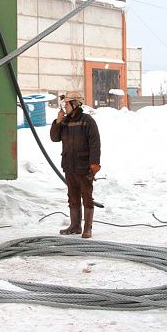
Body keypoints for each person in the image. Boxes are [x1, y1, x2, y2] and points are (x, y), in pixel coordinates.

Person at [50, 91, 101, 238]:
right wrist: (58, 122)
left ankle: (87, 228)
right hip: (69, 166)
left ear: (75, 104)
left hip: (84, 167)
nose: (65, 107)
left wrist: (94, 163)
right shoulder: (65, 122)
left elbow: (95, 143)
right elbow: (54, 137)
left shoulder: (87, 120)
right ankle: (75, 226)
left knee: (87, 197)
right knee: (72, 197)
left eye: (67, 104)